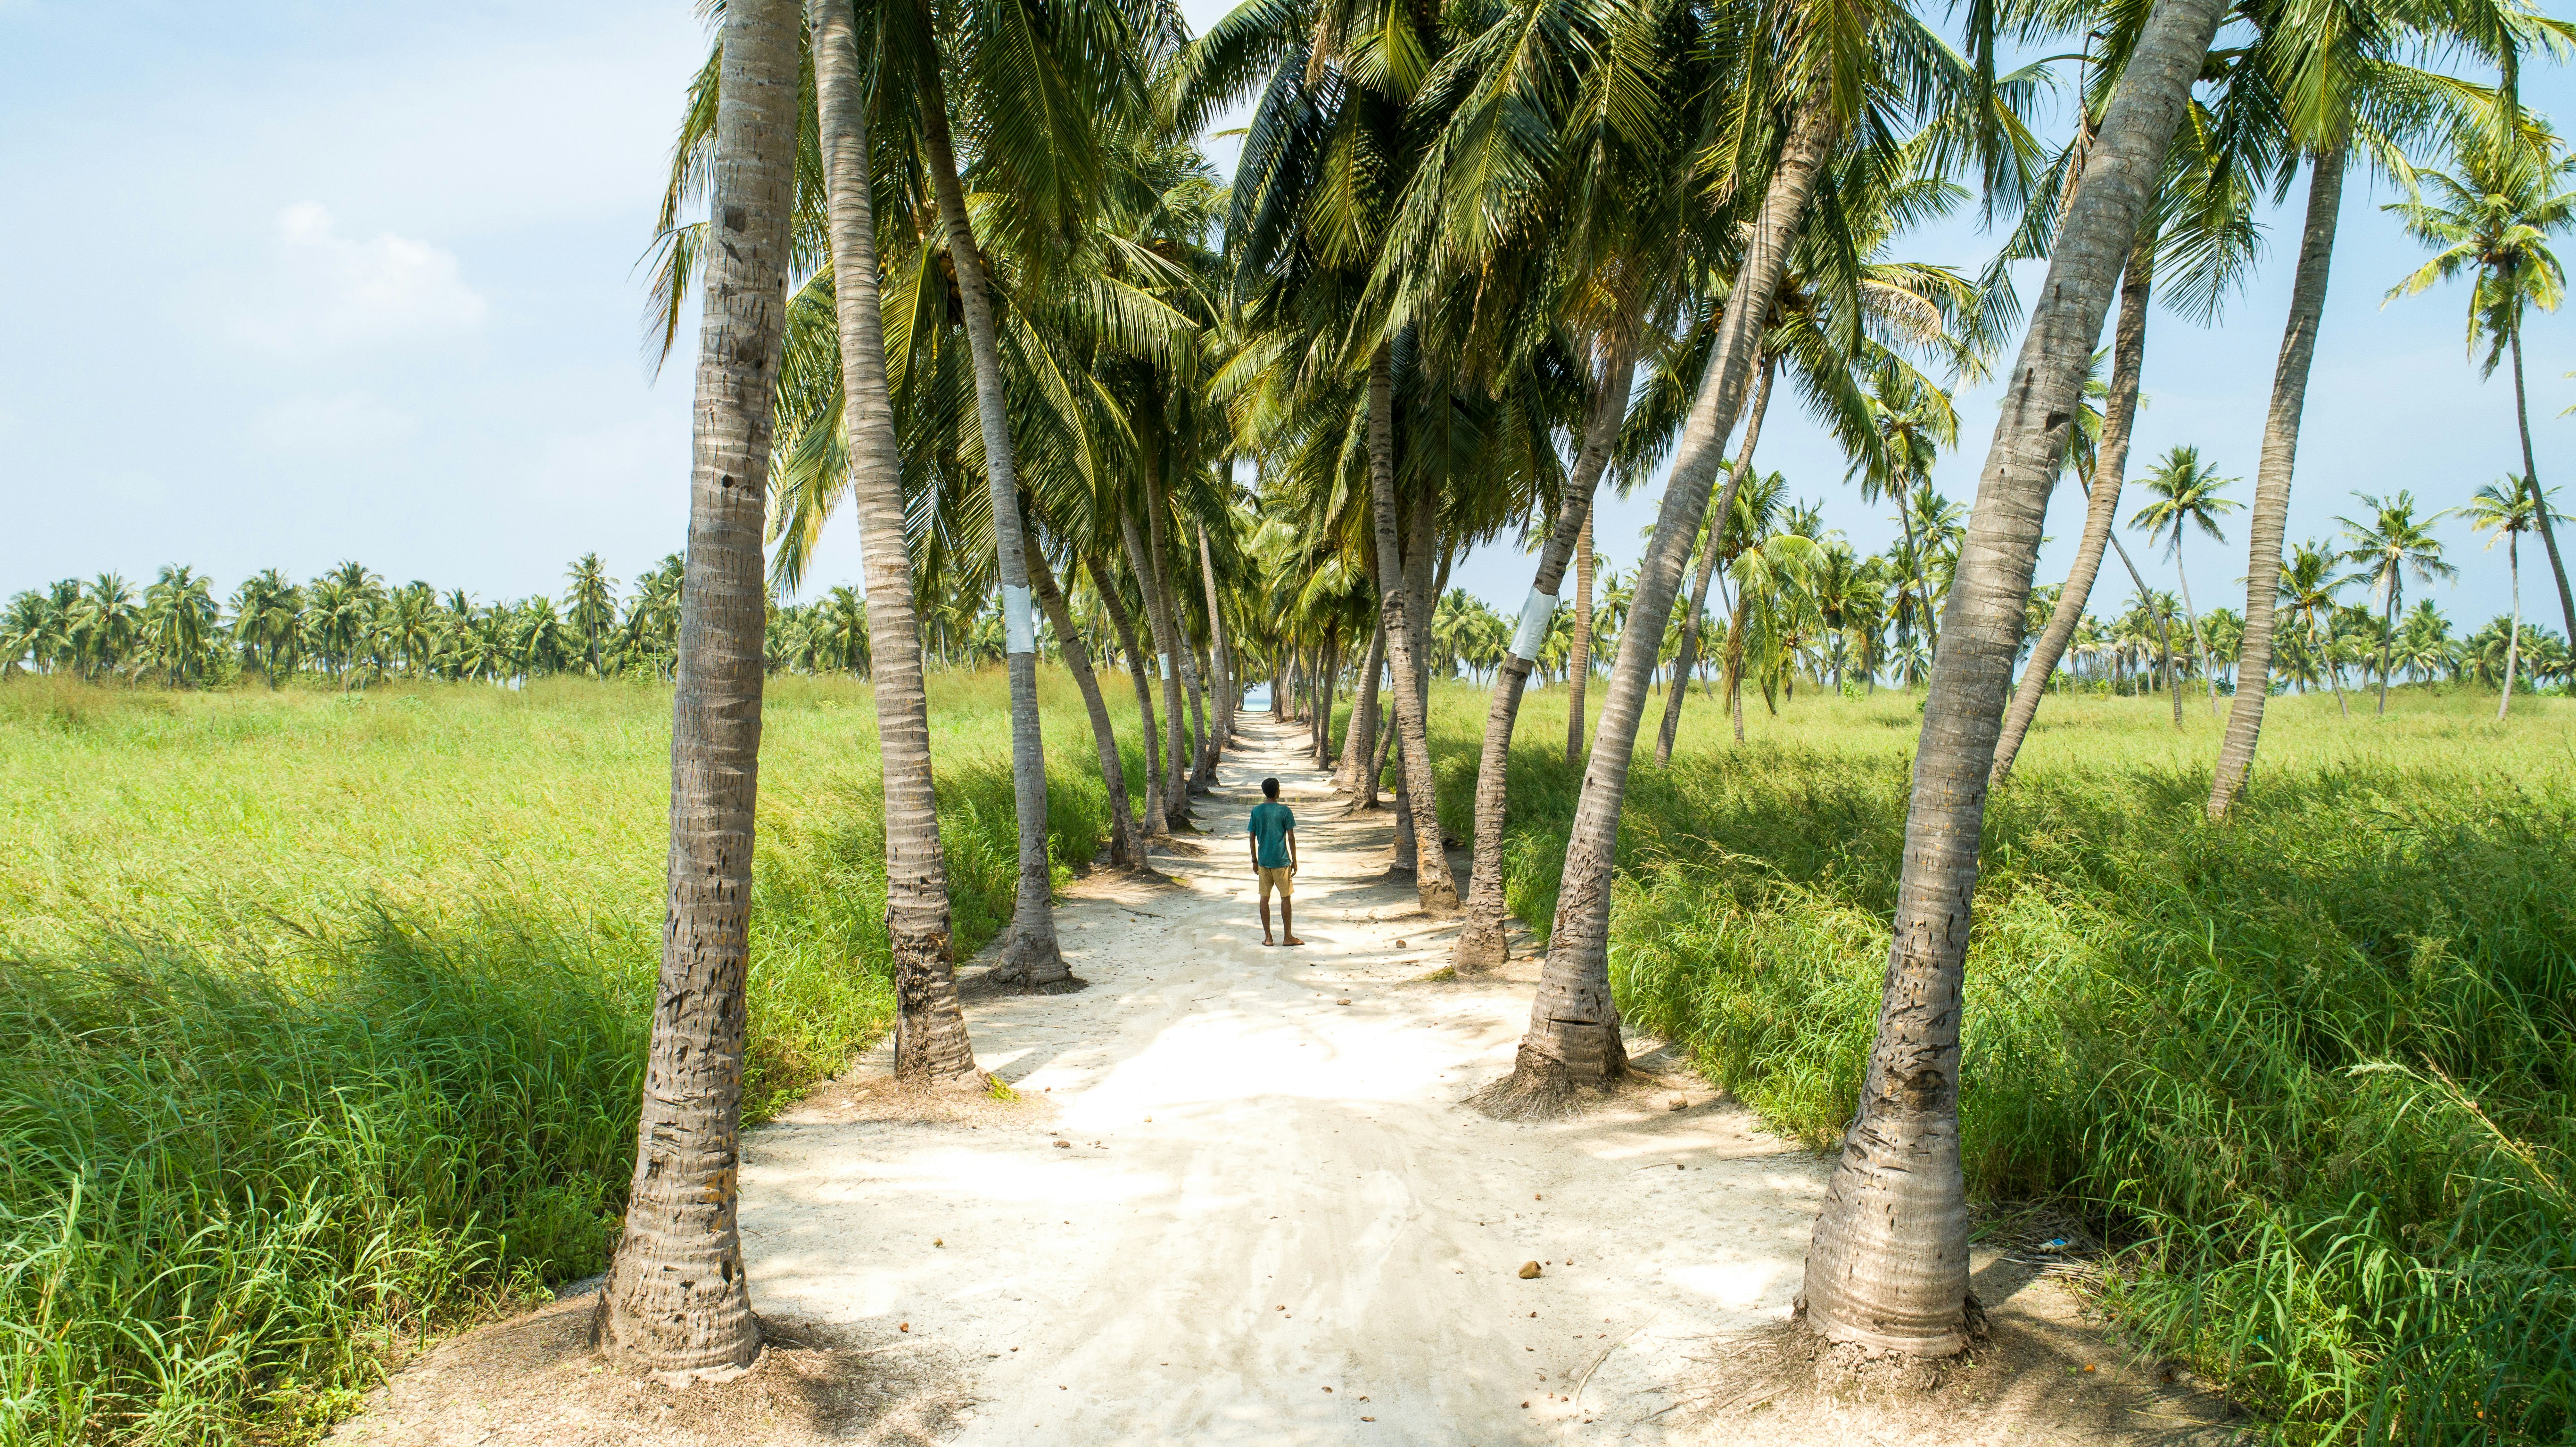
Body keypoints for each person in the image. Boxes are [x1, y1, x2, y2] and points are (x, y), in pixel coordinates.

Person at [1247, 776, 1301, 946]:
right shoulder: (1285, 811)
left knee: (1264, 898)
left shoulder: (1256, 811)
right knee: (1286, 898)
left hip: (1263, 862)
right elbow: (1291, 838)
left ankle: (1268, 938)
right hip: (1282, 861)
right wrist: (1294, 861)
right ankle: (1288, 937)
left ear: (1264, 792)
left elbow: (1252, 837)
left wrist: (1254, 860)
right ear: (1278, 792)